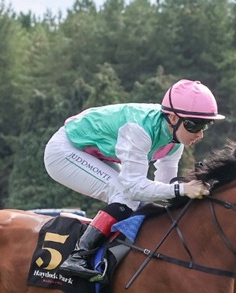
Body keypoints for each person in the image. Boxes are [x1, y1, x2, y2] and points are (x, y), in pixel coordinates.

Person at [43, 79, 226, 280]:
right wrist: (182, 190)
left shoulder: (175, 141)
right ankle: (77, 256)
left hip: (96, 151)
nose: (199, 134)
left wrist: (193, 190)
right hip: (65, 150)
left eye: (205, 126)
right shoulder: (139, 130)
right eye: (194, 125)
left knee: (138, 202)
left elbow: (164, 189)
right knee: (124, 195)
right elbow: (134, 188)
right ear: (173, 117)